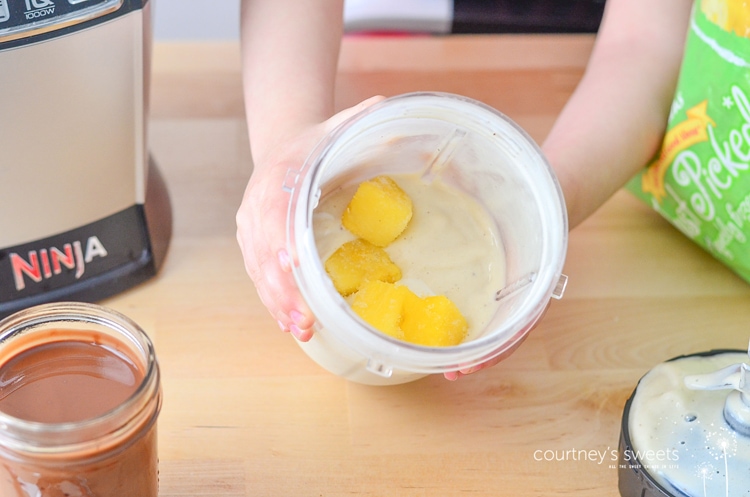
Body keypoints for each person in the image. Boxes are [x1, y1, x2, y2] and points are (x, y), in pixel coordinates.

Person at [235, 0, 693, 379]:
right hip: (386, 32)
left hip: (563, 57)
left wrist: (539, 208)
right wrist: (285, 141)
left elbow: (643, 43)